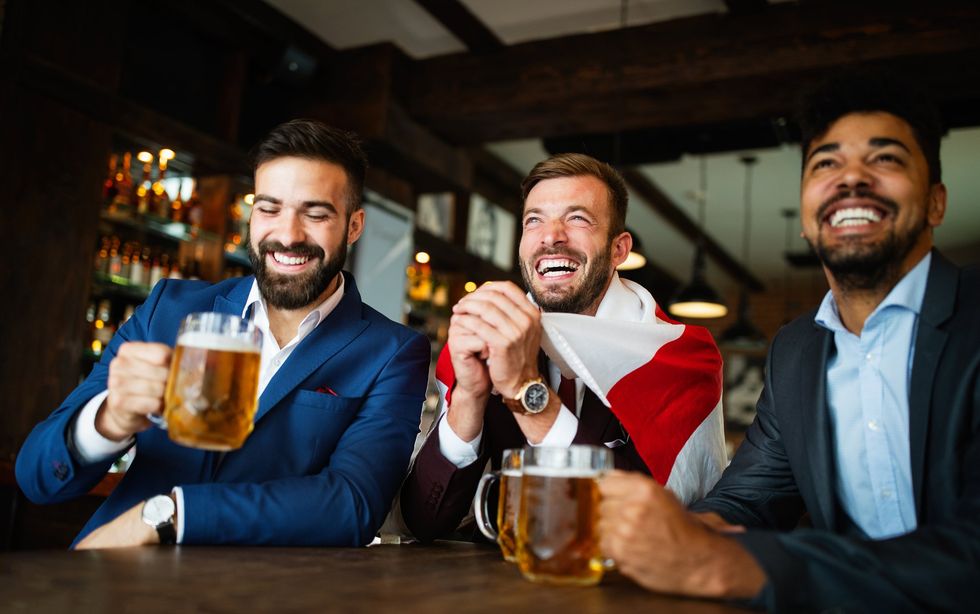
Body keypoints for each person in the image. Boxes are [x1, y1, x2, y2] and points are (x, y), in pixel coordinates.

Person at [598, 73, 980, 612]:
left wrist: (726, 563)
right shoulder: (797, 350)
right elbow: (751, 497)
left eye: (885, 159)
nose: (851, 179)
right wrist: (680, 532)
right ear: (805, 214)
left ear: (936, 202)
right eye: (826, 163)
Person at [15, 120, 430, 548]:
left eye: (316, 214)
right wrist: (109, 420)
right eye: (269, 209)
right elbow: (37, 478)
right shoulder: (169, 308)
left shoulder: (392, 351)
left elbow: (353, 504)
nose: (287, 235)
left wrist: (167, 515)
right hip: (111, 573)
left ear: (354, 225)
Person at [400, 153, 727, 542]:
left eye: (577, 219)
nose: (551, 236)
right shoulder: (493, 338)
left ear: (619, 249)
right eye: (533, 220)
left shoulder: (680, 355)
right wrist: (470, 396)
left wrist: (526, 391)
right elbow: (424, 521)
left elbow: (650, 521)